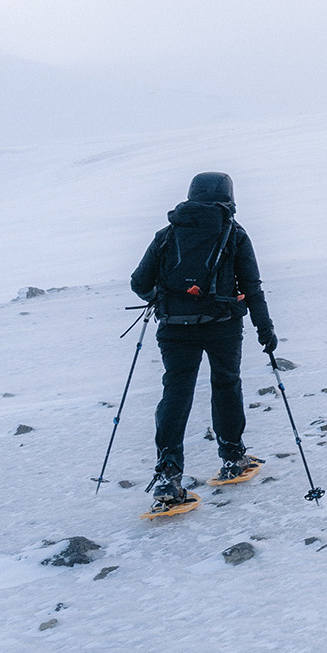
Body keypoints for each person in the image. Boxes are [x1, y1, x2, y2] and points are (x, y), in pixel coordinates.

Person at [130, 171, 277, 512]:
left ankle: (168, 475)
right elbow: (251, 287)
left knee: (176, 393)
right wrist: (265, 329)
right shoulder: (234, 234)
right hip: (222, 324)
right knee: (225, 384)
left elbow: (139, 282)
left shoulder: (168, 233)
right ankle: (232, 457)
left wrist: (161, 300)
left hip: (174, 327)